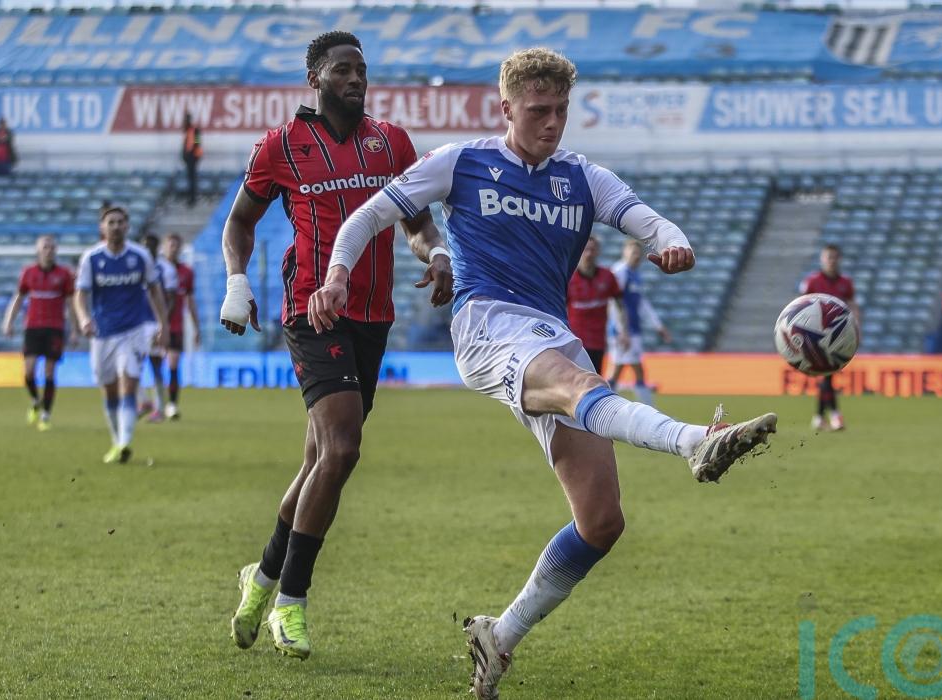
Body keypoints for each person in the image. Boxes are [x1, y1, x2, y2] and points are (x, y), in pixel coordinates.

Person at [312, 47, 777, 699]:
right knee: (586, 387)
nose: (552, 123)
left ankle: (499, 635)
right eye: (538, 111)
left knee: (601, 521)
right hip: (487, 324)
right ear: (506, 108)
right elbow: (369, 215)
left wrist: (673, 242)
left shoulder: (582, 177)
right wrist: (337, 274)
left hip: (550, 336)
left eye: (560, 110)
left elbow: (647, 220)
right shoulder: (461, 162)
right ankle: (696, 441)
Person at [218, 31, 452, 661]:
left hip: (373, 315)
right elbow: (239, 222)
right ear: (314, 79)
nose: (355, 79)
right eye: (343, 69)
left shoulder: (392, 143)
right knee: (343, 448)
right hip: (312, 309)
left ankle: (261, 577)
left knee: (320, 460)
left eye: (361, 70)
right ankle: (291, 602)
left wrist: (436, 253)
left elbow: (417, 222)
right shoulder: (280, 146)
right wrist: (238, 281)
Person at [73, 206, 170, 464]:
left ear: (127, 226)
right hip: (103, 334)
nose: (116, 226)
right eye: (111, 222)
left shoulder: (140, 256)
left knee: (129, 384)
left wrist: (163, 323)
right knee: (109, 390)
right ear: (102, 227)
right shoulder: (91, 258)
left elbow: (155, 290)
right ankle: (117, 441)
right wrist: (83, 318)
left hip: (133, 331)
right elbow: (80, 295)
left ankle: (125, 442)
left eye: (120, 222)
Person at [2, 234, 74, 431]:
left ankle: (46, 415)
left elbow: (71, 303)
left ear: (56, 250)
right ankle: (35, 400)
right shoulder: (28, 273)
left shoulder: (64, 274)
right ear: (38, 250)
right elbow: (18, 298)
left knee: (50, 372)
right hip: (33, 327)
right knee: (28, 371)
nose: (48, 251)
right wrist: (8, 321)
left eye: (51, 247)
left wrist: (75, 329)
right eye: (45, 247)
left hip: (55, 327)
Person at [799, 244, 859, 431]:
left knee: (827, 376)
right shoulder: (812, 281)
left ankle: (819, 417)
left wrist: (857, 329)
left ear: (839, 259)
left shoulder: (845, 283)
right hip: (816, 337)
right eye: (828, 257)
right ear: (822, 259)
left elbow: (852, 305)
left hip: (838, 336)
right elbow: (800, 306)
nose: (831, 261)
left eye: (834, 257)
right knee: (827, 375)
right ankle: (834, 415)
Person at [605, 239, 670, 406]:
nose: (636, 256)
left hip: (633, 330)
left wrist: (658, 326)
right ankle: (651, 410)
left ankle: (605, 406)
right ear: (624, 252)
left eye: (638, 254)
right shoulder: (620, 271)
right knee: (634, 369)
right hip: (623, 332)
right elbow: (613, 302)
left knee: (619, 370)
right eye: (633, 252)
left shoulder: (635, 275)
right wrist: (622, 331)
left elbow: (642, 303)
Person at [566, 237, 626, 373]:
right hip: (575, 342)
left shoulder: (607, 276)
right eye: (585, 249)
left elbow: (620, 305)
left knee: (595, 379)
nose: (589, 253)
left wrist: (623, 331)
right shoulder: (569, 278)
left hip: (598, 341)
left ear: (598, 251)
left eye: (592, 249)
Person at [138, 233, 178, 422]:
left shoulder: (166, 269)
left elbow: (171, 300)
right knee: (130, 364)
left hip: (154, 324)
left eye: (150, 246)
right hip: (137, 324)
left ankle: (159, 408)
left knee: (155, 365)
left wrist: (162, 323)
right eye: (144, 246)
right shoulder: (136, 267)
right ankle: (143, 401)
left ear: (156, 248)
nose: (147, 249)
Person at [162, 232, 199, 420]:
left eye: (176, 246)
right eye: (170, 245)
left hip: (175, 326)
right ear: (164, 247)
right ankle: (153, 403)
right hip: (153, 327)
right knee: (152, 364)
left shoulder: (186, 272)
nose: (173, 249)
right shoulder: (156, 270)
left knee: (173, 364)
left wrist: (196, 327)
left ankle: (172, 405)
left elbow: (190, 301)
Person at [182, 112, 202, 207]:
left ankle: (193, 198)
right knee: (190, 178)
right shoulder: (187, 130)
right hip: (189, 157)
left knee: (192, 178)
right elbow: (185, 145)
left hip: (193, 157)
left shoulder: (195, 130)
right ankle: (190, 198)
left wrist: (193, 153)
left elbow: (198, 142)